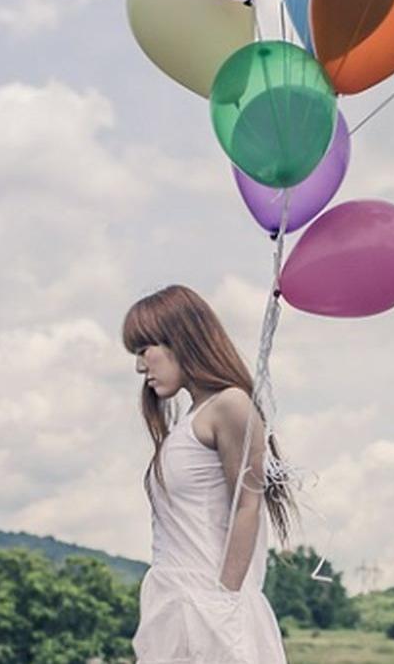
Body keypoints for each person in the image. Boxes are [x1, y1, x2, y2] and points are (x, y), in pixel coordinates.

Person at [123, 284, 295, 663]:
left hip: (212, 609)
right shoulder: (189, 422)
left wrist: (224, 602)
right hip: (174, 606)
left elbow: (247, 505)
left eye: (143, 350)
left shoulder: (229, 405)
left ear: (179, 339)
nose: (139, 366)